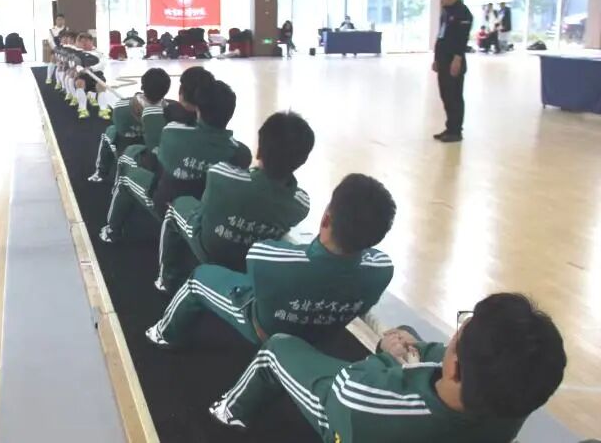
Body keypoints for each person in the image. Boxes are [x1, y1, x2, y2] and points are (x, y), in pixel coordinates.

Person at [209, 293, 567, 443]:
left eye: (461, 331)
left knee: (277, 348)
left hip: (345, 411)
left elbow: (348, 387)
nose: (454, 336)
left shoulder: (370, 403)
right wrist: (410, 345)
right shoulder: (513, 397)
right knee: (409, 338)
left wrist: (383, 354)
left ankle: (227, 412)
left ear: (455, 369)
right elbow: (438, 355)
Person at [146, 173, 396, 346]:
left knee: (199, 278)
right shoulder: (382, 271)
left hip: (262, 327)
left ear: (326, 219)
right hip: (319, 337)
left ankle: (164, 333)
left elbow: (258, 265)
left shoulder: (267, 257)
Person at [153, 112, 315, 293]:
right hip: (247, 257)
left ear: (259, 151)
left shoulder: (221, 175)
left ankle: (166, 280)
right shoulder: (301, 205)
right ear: (301, 161)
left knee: (176, 207)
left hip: (208, 248)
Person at [99, 79, 251, 244]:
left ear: (198, 110)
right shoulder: (242, 153)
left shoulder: (173, 134)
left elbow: (156, 158)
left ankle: (112, 231)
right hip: (208, 216)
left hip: (169, 207)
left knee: (126, 175)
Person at [88, 66, 210, 184]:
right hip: (160, 152)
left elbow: (120, 127)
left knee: (111, 131)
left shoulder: (121, 107)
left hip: (137, 151)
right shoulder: (173, 110)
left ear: (142, 86)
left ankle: (101, 173)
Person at [432, 0, 472, 144]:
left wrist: (457, 58)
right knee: (446, 95)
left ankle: (456, 131)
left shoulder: (463, 13)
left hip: (453, 61)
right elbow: (441, 36)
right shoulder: (446, 12)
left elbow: (462, 39)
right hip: (443, 59)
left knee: (454, 96)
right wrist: (436, 59)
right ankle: (450, 128)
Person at [44, 13, 66, 85]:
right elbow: (50, 41)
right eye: (58, 20)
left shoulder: (67, 29)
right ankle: (49, 77)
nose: (60, 21)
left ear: (64, 21)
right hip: (56, 48)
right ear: (56, 21)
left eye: (61, 20)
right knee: (53, 59)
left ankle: (59, 82)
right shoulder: (52, 30)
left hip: (65, 49)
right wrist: (55, 48)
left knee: (63, 63)